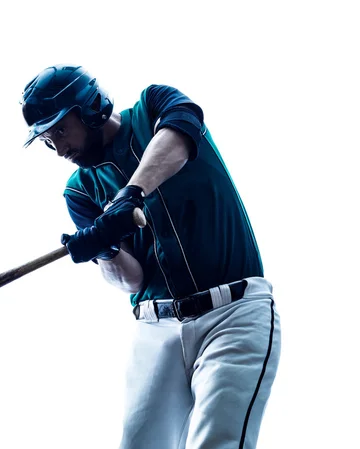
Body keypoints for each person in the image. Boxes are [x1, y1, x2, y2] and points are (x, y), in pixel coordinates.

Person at [20, 64, 281, 449]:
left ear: (89, 107)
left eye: (60, 130)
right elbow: (132, 280)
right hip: (156, 327)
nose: (58, 148)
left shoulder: (154, 105)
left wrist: (131, 193)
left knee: (218, 442)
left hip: (233, 314)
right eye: (46, 139)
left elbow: (179, 135)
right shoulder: (79, 191)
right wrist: (105, 249)